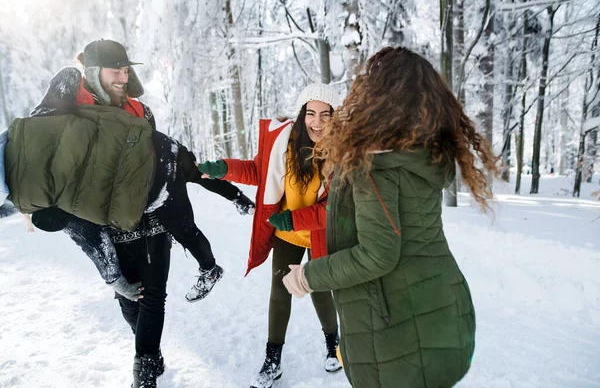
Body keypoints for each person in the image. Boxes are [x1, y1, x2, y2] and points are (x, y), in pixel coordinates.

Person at [2, 39, 253, 388]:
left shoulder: (141, 111)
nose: (122, 76)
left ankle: (145, 371)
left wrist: (229, 193)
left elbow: (171, 166)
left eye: (125, 69)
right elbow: (42, 150)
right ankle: (149, 348)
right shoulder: (71, 104)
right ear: (93, 71)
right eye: (114, 70)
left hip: (150, 218)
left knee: (152, 296)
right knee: (128, 302)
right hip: (106, 220)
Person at [282, 47, 499, 388]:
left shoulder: (377, 162)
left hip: (396, 338)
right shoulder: (421, 152)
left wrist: (309, 275)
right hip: (445, 315)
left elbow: (377, 254)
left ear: (378, 96)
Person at [198, 84, 344, 388]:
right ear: (303, 114)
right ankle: (272, 358)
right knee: (279, 293)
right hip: (286, 231)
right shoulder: (284, 143)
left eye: (325, 115)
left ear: (335, 118)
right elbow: (257, 170)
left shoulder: (342, 155)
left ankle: (334, 344)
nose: (317, 122)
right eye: (311, 113)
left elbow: (332, 209)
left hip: (319, 233)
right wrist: (223, 168)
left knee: (320, 290)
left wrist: (293, 219)